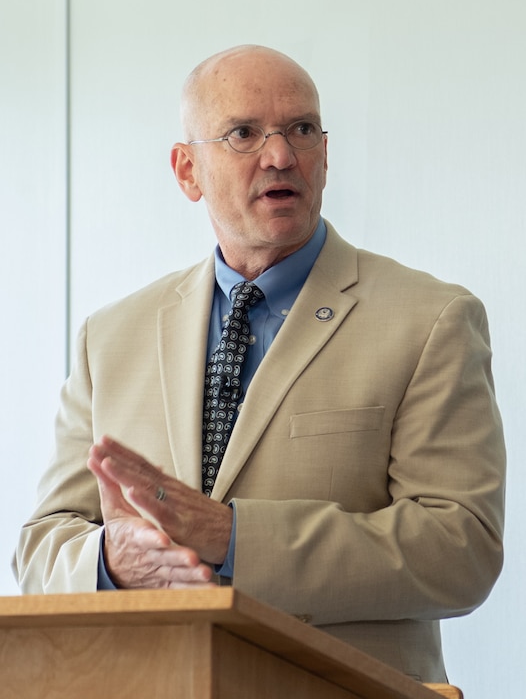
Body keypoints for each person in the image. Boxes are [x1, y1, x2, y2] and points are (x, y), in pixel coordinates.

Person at [14, 44, 505, 683]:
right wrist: (109, 561)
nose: (280, 155)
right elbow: (42, 547)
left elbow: (460, 550)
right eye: (244, 133)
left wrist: (236, 539)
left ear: (324, 155)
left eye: (301, 130)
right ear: (187, 171)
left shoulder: (432, 320)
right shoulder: (109, 336)